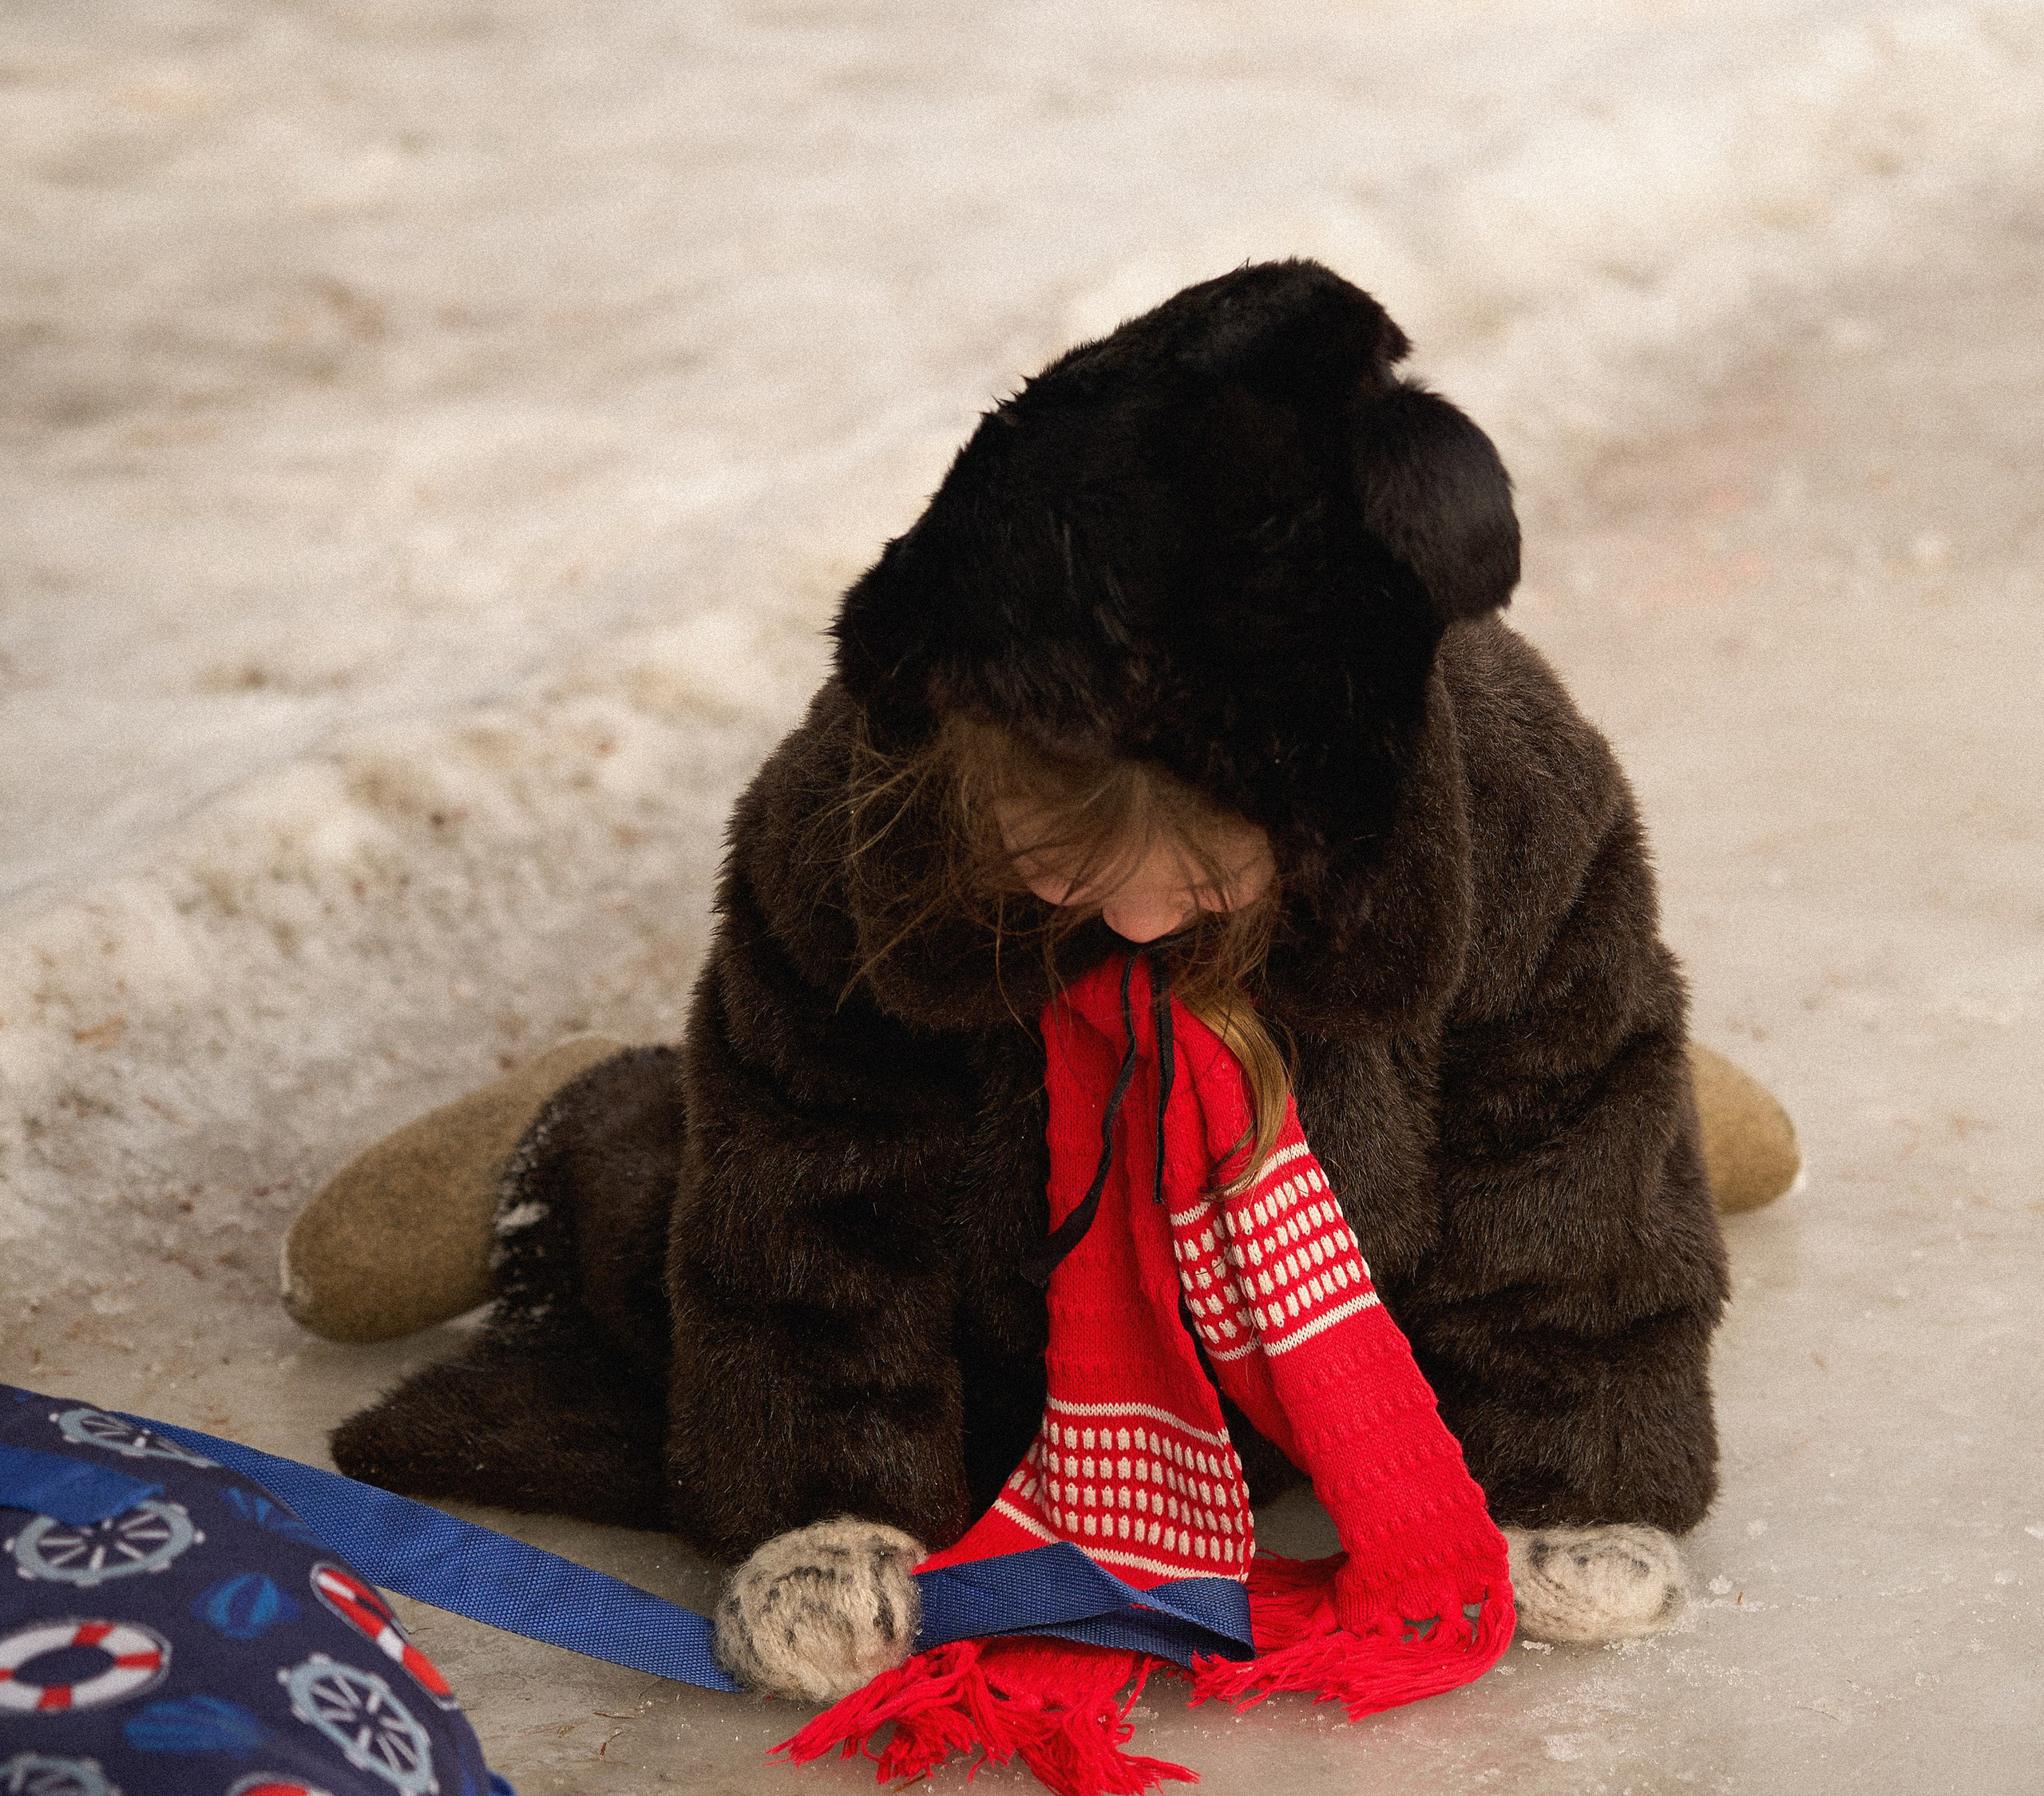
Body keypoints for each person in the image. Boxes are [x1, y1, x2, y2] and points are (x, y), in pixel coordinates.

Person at [323, 261, 1749, 1701]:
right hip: (1019, 1269)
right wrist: (829, 1503)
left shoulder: (1510, 794)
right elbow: (809, 1188)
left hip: (1362, 1198)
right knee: (689, 1252)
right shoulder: (851, 817)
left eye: (1203, 883)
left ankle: (1664, 1073)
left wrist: (1575, 1470)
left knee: (1573, 1108)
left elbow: (1569, 1127)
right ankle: (572, 1123)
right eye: (1066, 870)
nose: (1138, 919)